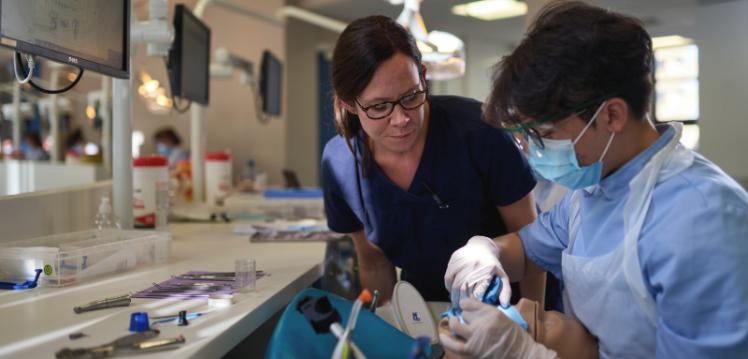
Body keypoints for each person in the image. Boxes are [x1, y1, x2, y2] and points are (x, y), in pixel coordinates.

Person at [441, 2, 748, 358]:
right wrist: (485, 253)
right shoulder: (595, 186)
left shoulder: (702, 220)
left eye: (543, 133)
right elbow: (528, 250)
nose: (531, 152)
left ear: (612, 115)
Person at [321, 15, 541, 304]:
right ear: (350, 104)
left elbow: (534, 247)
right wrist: (390, 333)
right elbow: (374, 264)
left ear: (423, 76)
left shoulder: (479, 131)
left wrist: (533, 325)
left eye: (411, 96)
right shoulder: (340, 163)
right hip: (425, 311)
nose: (401, 119)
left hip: (510, 302)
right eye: (379, 106)